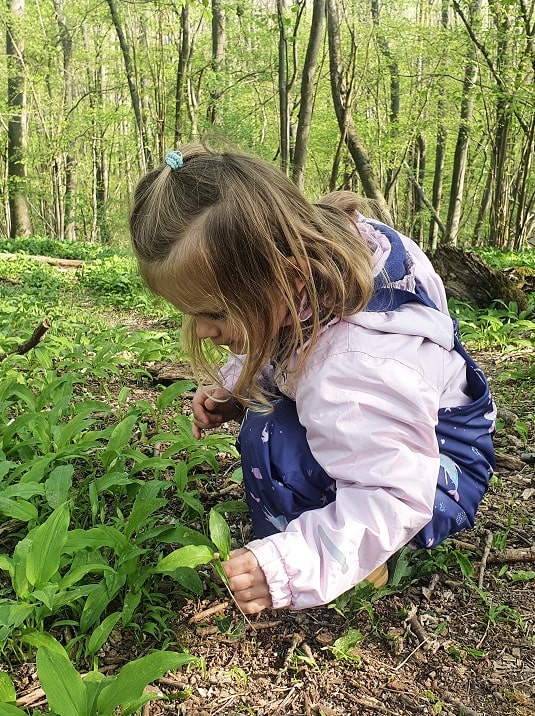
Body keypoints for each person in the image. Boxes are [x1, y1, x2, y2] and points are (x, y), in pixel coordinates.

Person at [129, 144, 496, 614]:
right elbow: (282, 334)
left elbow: (395, 493)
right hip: (397, 428)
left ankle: (352, 558)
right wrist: (239, 385)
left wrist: (288, 566)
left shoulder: (355, 360)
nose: (201, 331)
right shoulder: (321, 258)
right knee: (267, 415)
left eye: (215, 313)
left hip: (433, 475)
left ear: (289, 277)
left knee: (275, 439)